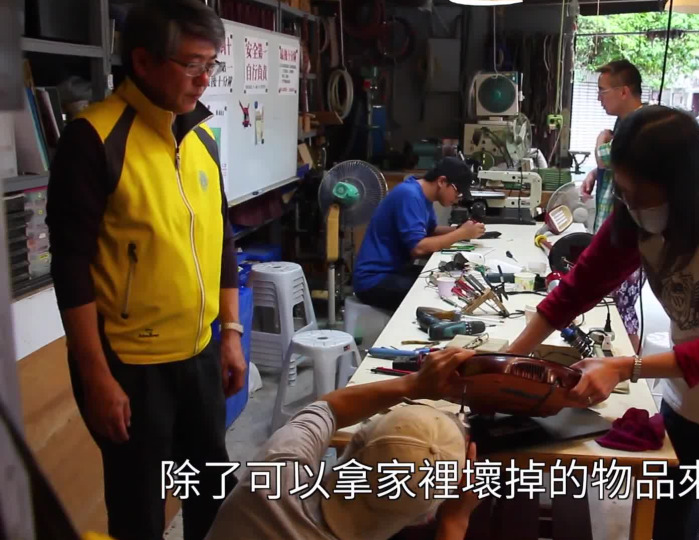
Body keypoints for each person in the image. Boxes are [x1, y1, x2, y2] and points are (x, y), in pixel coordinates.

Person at [508, 106, 699, 540]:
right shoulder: (636, 215)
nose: (631, 204)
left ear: (678, 184)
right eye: (624, 192)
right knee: (666, 528)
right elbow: (578, 288)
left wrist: (623, 368)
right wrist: (507, 358)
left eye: (639, 193)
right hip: (686, 400)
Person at [45, 2, 244, 540]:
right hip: (131, 367)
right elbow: (71, 268)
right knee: (139, 511)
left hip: (199, 354)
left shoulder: (200, 140)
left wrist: (230, 332)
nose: (205, 80)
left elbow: (221, 237)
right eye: (193, 65)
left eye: (211, 66)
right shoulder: (92, 139)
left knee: (211, 495)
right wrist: (96, 377)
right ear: (143, 61)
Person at [204, 348, 481, 540]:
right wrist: (455, 521)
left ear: (355, 440)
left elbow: (328, 409)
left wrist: (414, 384)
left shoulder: (276, 474)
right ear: (424, 518)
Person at [353, 157, 485, 311]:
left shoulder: (422, 195)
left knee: (450, 280)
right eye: (458, 192)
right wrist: (461, 233)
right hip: (374, 280)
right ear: (442, 181)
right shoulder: (409, 195)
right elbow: (419, 248)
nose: (457, 199)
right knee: (437, 295)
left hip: (396, 270)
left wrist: (462, 231)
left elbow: (430, 231)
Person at [579, 59, 645, 351]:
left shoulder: (642, 126)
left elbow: (607, 156)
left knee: (623, 311)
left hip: (630, 238)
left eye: (603, 91)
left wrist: (599, 144)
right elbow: (617, 165)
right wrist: (596, 173)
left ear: (624, 91)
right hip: (613, 233)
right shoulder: (624, 125)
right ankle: (617, 364)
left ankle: (631, 370)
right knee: (613, 308)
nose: (598, 98)